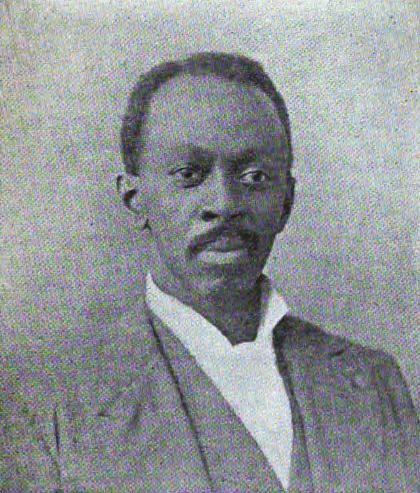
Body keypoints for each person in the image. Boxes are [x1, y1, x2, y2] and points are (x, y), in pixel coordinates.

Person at [1, 52, 417, 492]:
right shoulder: (48, 404)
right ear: (135, 198)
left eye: (254, 176)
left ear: (286, 201)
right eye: (189, 174)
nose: (224, 204)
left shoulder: (374, 384)